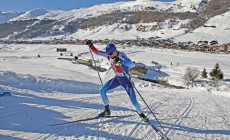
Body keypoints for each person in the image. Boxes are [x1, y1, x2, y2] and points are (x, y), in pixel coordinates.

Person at [86, 40, 148, 122]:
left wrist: (122, 61)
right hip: (117, 78)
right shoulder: (109, 55)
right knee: (102, 90)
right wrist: (91, 46)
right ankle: (107, 110)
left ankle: (141, 115)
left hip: (126, 81)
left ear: (115, 51)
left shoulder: (121, 55)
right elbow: (97, 52)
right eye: (108, 54)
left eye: (111, 54)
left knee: (133, 100)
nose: (110, 56)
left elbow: (132, 64)